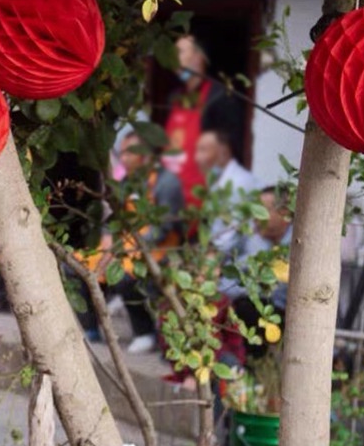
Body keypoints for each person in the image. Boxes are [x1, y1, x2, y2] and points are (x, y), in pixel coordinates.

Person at [78, 132, 185, 353]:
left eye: (128, 152)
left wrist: (122, 248)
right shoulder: (129, 181)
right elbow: (114, 218)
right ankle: (91, 329)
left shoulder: (167, 182)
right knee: (76, 266)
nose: (123, 157)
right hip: (123, 244)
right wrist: (108, 240)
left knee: (126, 277)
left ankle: (144, 331)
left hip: (156, 249)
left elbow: (164, 226)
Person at [163, 35, 246, 206]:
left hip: (204, 202)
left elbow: (229, 153)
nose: (173, 58)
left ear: (199, 57)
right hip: (171, 199)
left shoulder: (220, 97)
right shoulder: (176, 98)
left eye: (180, 52)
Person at [229, 186, 293, 358]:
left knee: (244, 307)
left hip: (285, 316)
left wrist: (224, 291)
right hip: (260, 305)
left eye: (261, 211)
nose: (255, 218)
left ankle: (248, 369)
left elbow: (270, 290)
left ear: (284, 213)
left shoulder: (296, 245)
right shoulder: (259, 242)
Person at [194, 129, 260, 254]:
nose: (196, 158)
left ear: (223, 153)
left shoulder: (237, 184)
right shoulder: (218, 182)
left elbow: (227, 240)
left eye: (203, 150)